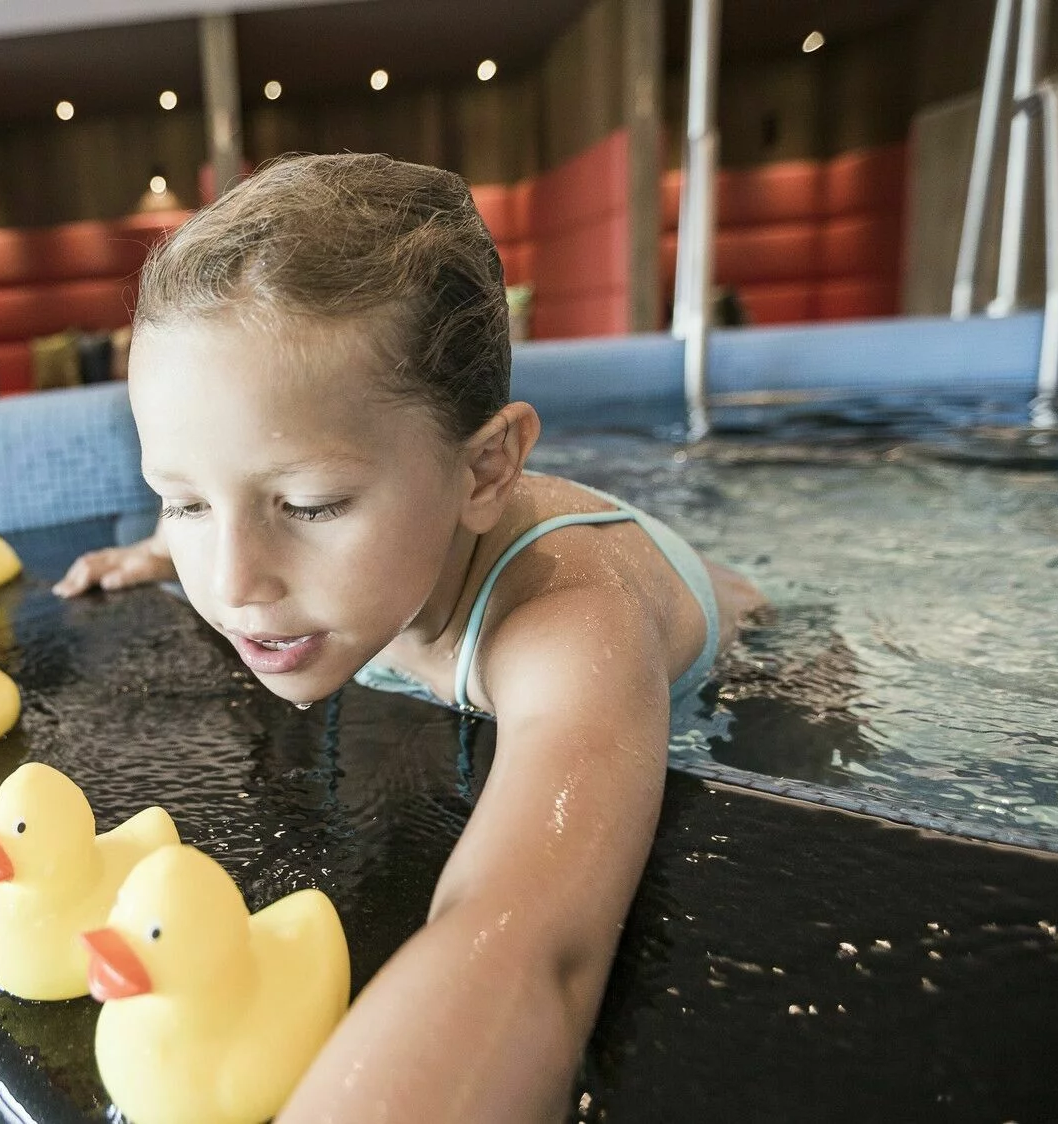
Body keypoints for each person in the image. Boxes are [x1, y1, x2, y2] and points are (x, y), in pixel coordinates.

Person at [51, 154, 766, 1121]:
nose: (231, 584)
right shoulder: (303, 565)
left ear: (485, 469)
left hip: (773, 660)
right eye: (181, 500)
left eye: (308, 506)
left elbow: (526, 947)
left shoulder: (570, 626)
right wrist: (156, 543)